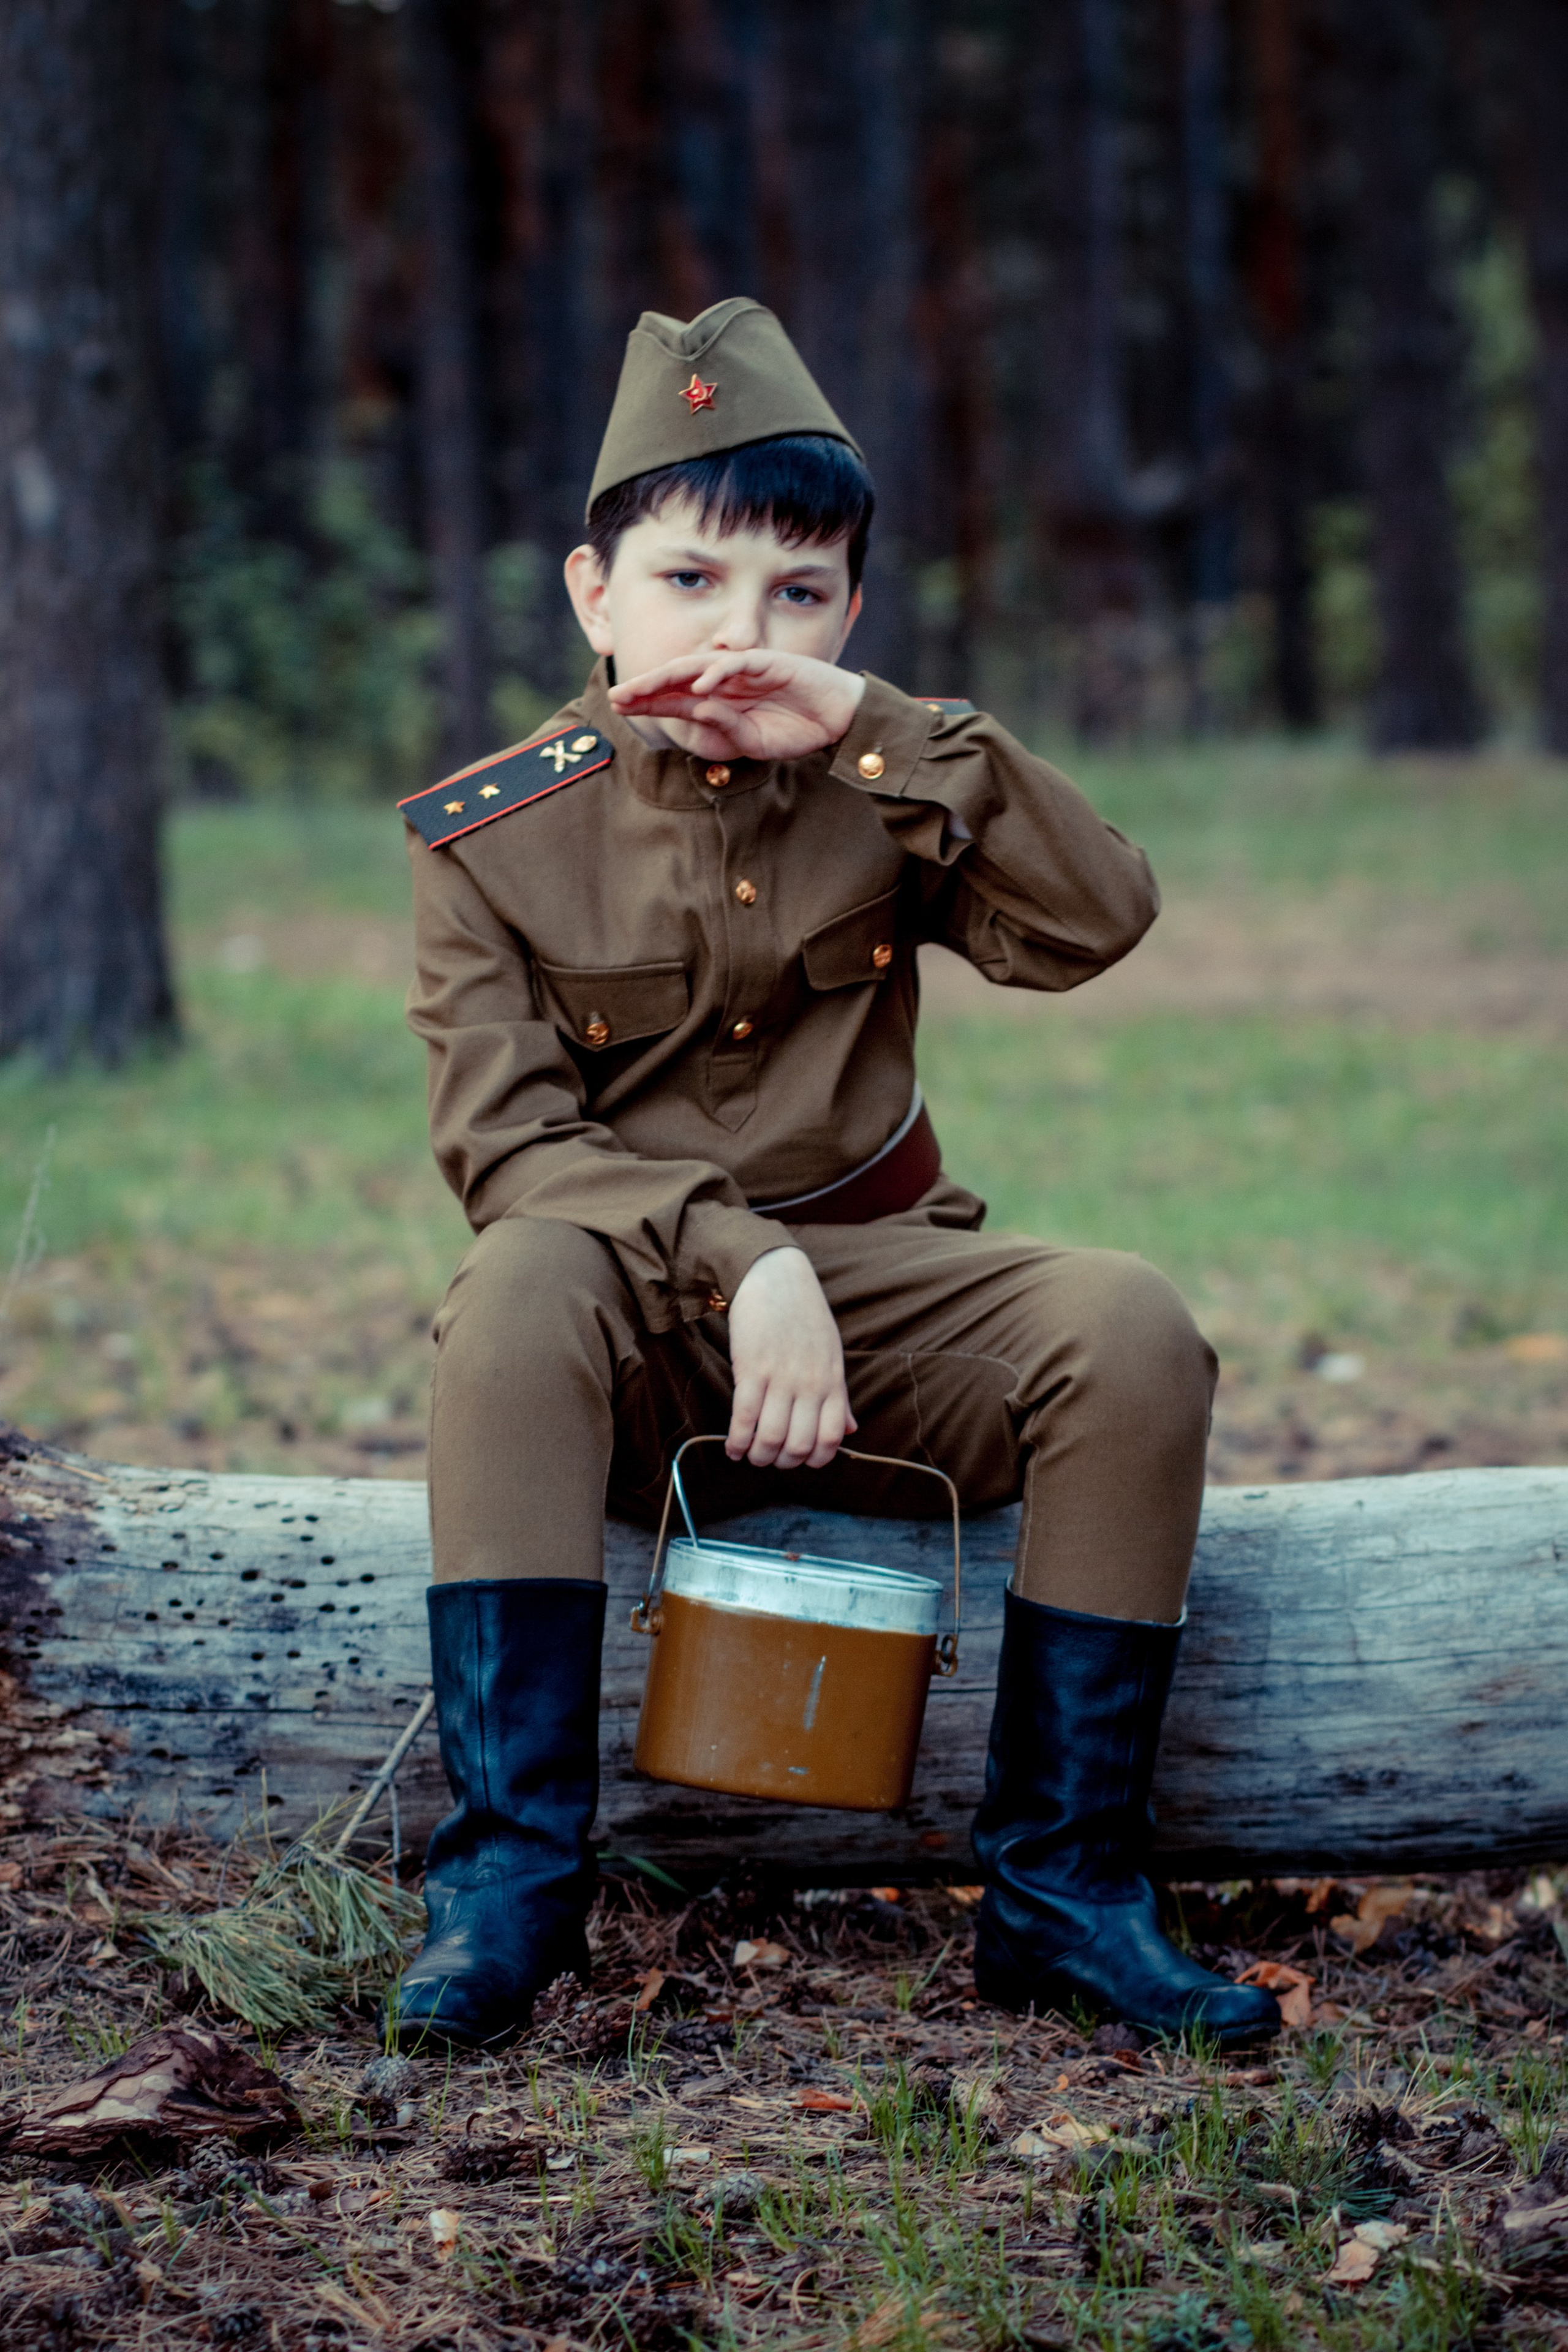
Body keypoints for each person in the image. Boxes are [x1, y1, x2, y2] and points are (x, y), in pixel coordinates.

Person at [388, 296, 1280, 2053]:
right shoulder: (495, 835)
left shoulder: (884, 776)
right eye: (694, 580)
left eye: (799, 593)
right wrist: (741, 1261)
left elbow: (1098, 920)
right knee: (511, 1292)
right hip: (626, 1322)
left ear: (851, 609)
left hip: (882, 1306)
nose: (742, 633)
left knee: (1127, 1328)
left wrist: (885, 728)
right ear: (596, 594)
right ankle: (506, 1886)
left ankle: (1064, 1896)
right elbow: (505, 1149)